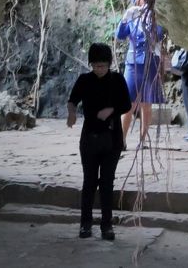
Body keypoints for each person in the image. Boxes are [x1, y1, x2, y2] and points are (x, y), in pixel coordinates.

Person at [67, 42, 131, 241]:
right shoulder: (85, 80)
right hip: (89, 137)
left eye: (102, 66)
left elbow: (127, 104)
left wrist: (111, 110)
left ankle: (107, 225)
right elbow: (73, 100)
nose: (99, 69)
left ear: (109, 64)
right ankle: (85, 224)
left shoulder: (118, 80)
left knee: (107, 182)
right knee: (89, 182)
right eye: (95, 66)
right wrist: (71, 114)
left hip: (112, 138)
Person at [116, 0, 165, 146]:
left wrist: (151, 19)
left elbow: (159, 35)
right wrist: (124, 19)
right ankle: (121, 139)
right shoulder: (132, 17)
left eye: (143, 0)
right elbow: (120, 35)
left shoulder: (156, 17)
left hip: (151, 63)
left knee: (146, 103)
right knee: (128, 103)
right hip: (133, 64)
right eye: (138, 1)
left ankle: (143, 140)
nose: (141, 3)